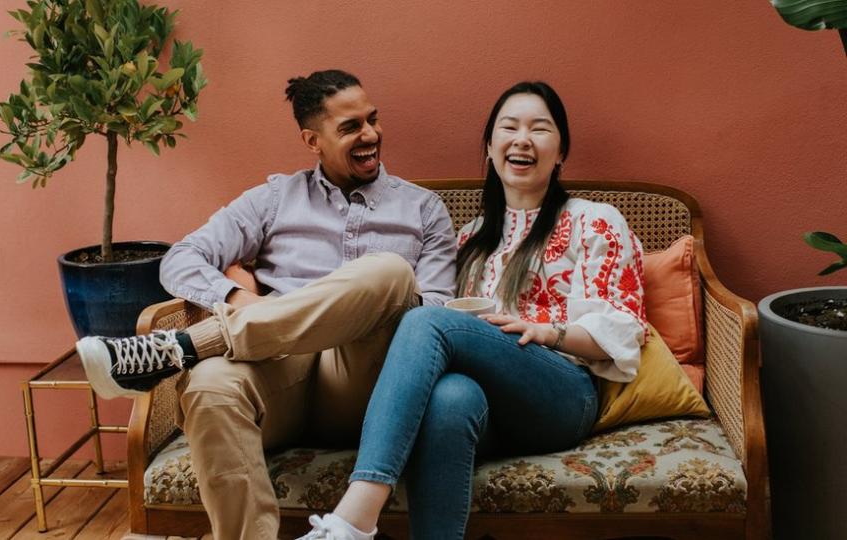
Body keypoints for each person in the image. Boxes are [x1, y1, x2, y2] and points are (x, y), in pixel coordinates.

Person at [75, 69, 457, 540]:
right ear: (312, 139)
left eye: (372, 120)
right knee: (209, 383)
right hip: (280, 369)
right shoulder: (275, 198)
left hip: (368, 380)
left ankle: (179, 348)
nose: (371, 135)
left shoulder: (422, 208)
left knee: (390, 273)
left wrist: (362, 302)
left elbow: (436, 310)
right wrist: (241, 298)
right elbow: (181, 259)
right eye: (351, 127)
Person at [298, 81, 649, 540]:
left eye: (539, 129)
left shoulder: (594, 219)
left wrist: (548, 333)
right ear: (490, 146)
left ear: (560, 151)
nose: (522, 139)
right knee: (450, 399)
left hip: (562, 394)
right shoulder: (469, 239)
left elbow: (625, 328)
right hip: (486, 405)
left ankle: (354, 517)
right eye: (509, 127)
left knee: (425, 320)